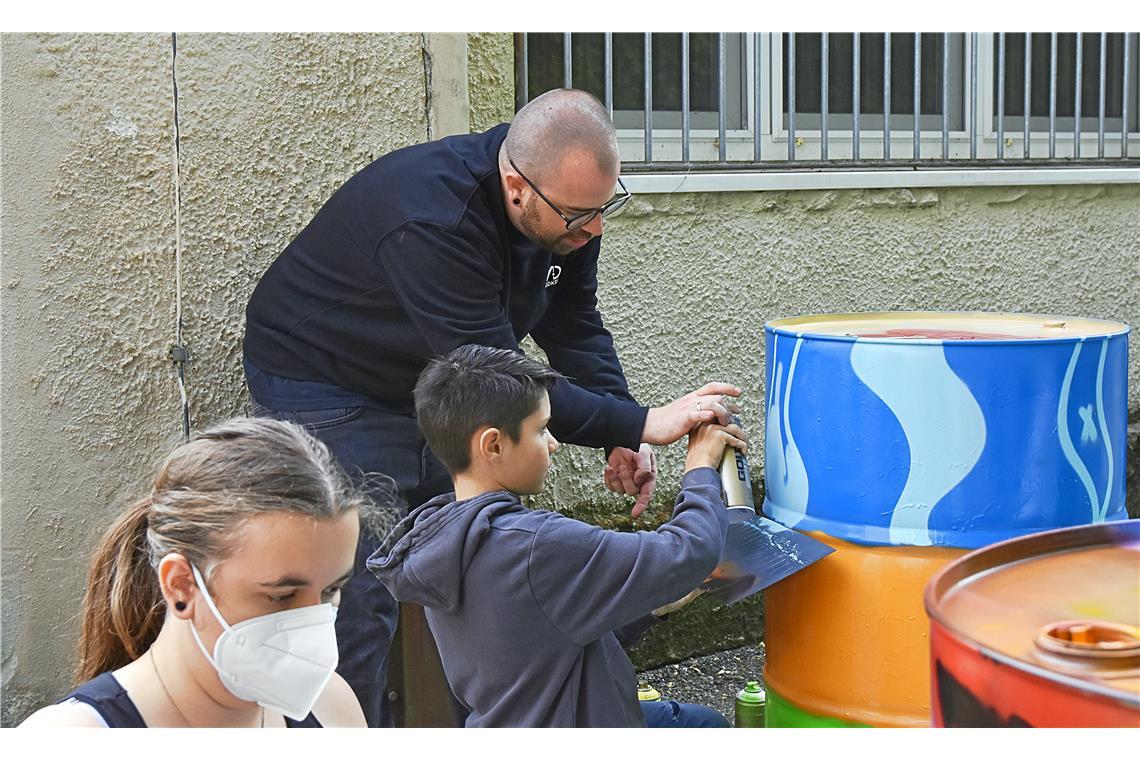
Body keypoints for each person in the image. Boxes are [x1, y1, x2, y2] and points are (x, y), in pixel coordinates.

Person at [242, 88, 741, 726]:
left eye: (605, 207)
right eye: (579, 216)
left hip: (433, 375)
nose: (594, 229)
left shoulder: (567, 205)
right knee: (359, 584)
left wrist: (620, 423)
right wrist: (645, 422)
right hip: (328, 379)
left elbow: (574, 324)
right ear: (516, 188)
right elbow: (502, 382)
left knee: (479, 559)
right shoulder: (433, 221)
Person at [367, 345, 747, 727]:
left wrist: (652, 606)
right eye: (541, 429)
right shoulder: (536, 545)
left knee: (699, 724)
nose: (553, 443)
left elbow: (546, 641)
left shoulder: (444, 541)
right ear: (493, 444)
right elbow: (690, 551)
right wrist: (700, 467)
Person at [19, 418, 374, 728]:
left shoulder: (331, 707)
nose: (312, 623)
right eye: (281, 596)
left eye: (331, 591)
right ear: (181, 586)